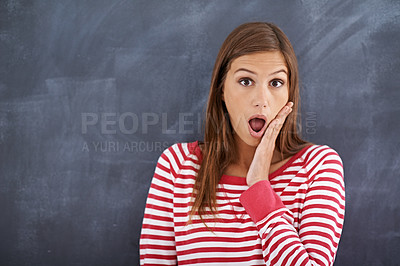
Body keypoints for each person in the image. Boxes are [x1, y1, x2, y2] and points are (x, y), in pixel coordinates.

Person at [139, 22, 345, 265]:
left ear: (290, 92)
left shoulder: (318, 167)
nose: (261, 100)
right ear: (222, 91)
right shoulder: (177, 166)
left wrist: (259, 188)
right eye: (246, 81)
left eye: (276, 83)